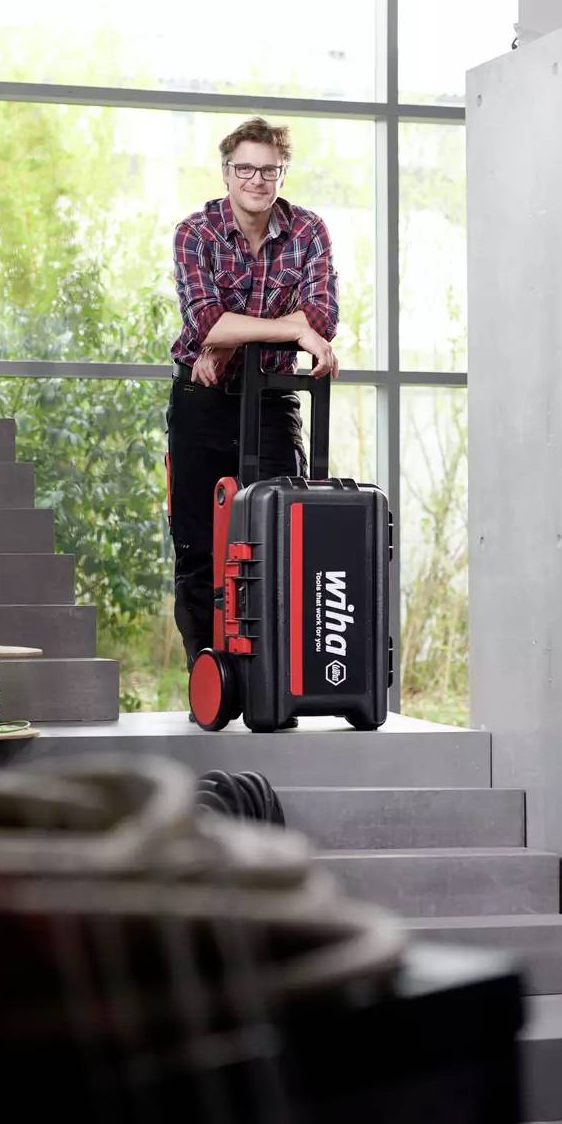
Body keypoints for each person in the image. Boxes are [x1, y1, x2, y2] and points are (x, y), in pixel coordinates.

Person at [166, 117, 340, 714]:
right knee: (198, 547)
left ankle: (274, 678)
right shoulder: (195, 232)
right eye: (245, 168)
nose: (257, 180)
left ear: (281, 173)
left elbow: (320, 317)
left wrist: (231, 339)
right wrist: (284, 326)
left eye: (268, 169)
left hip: (270, 400)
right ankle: (208, 686)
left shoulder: (309, 231)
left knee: (276, 534)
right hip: (202, 401)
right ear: (227, 173)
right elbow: (204, 321)